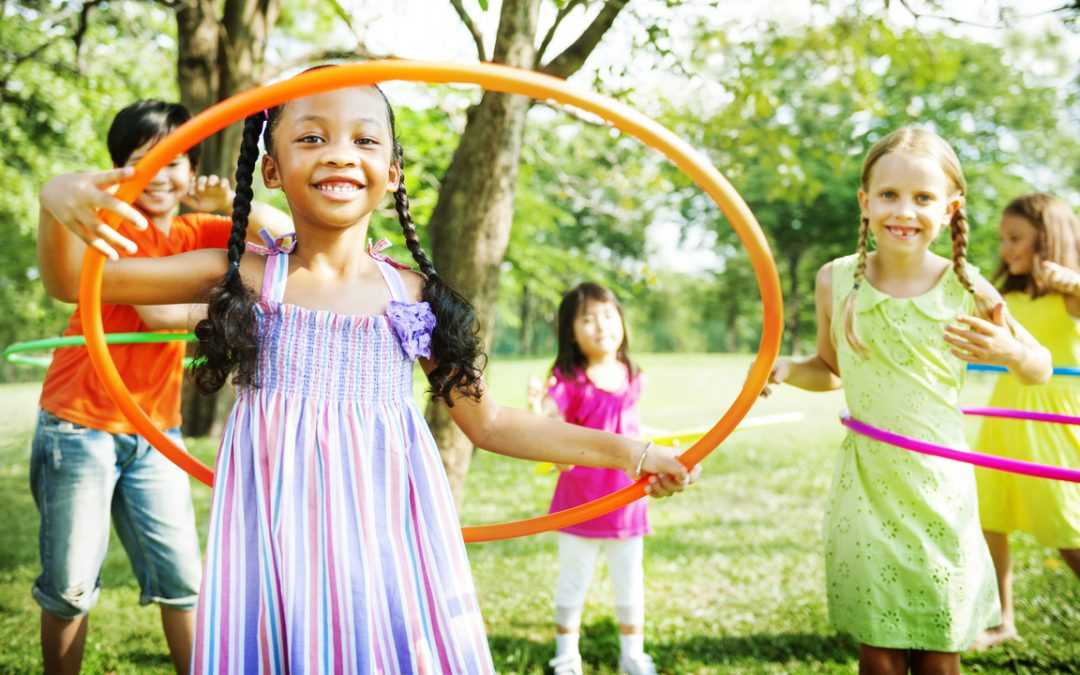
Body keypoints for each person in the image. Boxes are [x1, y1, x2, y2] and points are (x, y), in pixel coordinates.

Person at [42, 80, 697, 674]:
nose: (336, 153)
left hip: (386, 552)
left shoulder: (414, 294)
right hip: (276, 546)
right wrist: (55, 198)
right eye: (310, 137)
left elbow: (490, 422)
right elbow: (74, 282)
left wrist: (632, 453)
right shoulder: (240, 271)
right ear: (271, 168)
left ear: (392, 169)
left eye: (363, 138)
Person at [761, 126, 1051, 674]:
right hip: (868, 486)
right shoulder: (836, 280)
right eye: (890, 195)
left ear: (949, 209)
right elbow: (830, 371)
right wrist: (786, 370)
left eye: (923, 198)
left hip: (940, 491)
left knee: (940, 652)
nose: (905, 211)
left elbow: (1038, 370)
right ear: (865, 202)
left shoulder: (964, 286)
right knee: (879, 652)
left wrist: (1011, 349)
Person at [33, 99, 290, 675]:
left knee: (183, 580)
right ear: (118, 170)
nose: (161, 174)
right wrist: (229, 304)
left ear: (192, 168)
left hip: (154, 428)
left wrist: (235, 204)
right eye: (141, 160)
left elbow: (290, 239)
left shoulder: (203, 229)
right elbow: (159, 316)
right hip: (79, 422)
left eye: (174, 159)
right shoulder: (111, 228)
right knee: (72, 585)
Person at [527, 282, 657, 675]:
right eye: (587, 318)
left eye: (607, 314)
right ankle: (567, 656)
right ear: (571, 331)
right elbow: (552, 422)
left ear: (621, 320)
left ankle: (632, 653)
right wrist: (539, 409)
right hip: (580, 504)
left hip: (627, 503)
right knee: (573, 581)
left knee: (629, 582)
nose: (600, 325)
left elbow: (630, 425)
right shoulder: (569, 380)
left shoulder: (633, 375)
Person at [972, 192, 1080, 649]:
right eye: (1002, 239)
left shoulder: (1070, 294)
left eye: (1015, 238)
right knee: (989, 517)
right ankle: (1002, 620)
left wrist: (1073, 282)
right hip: (1006, 408)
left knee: (1064, 524)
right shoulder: (1009, 293)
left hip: (1050, 416)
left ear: (1048, 237)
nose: (1005, 248)